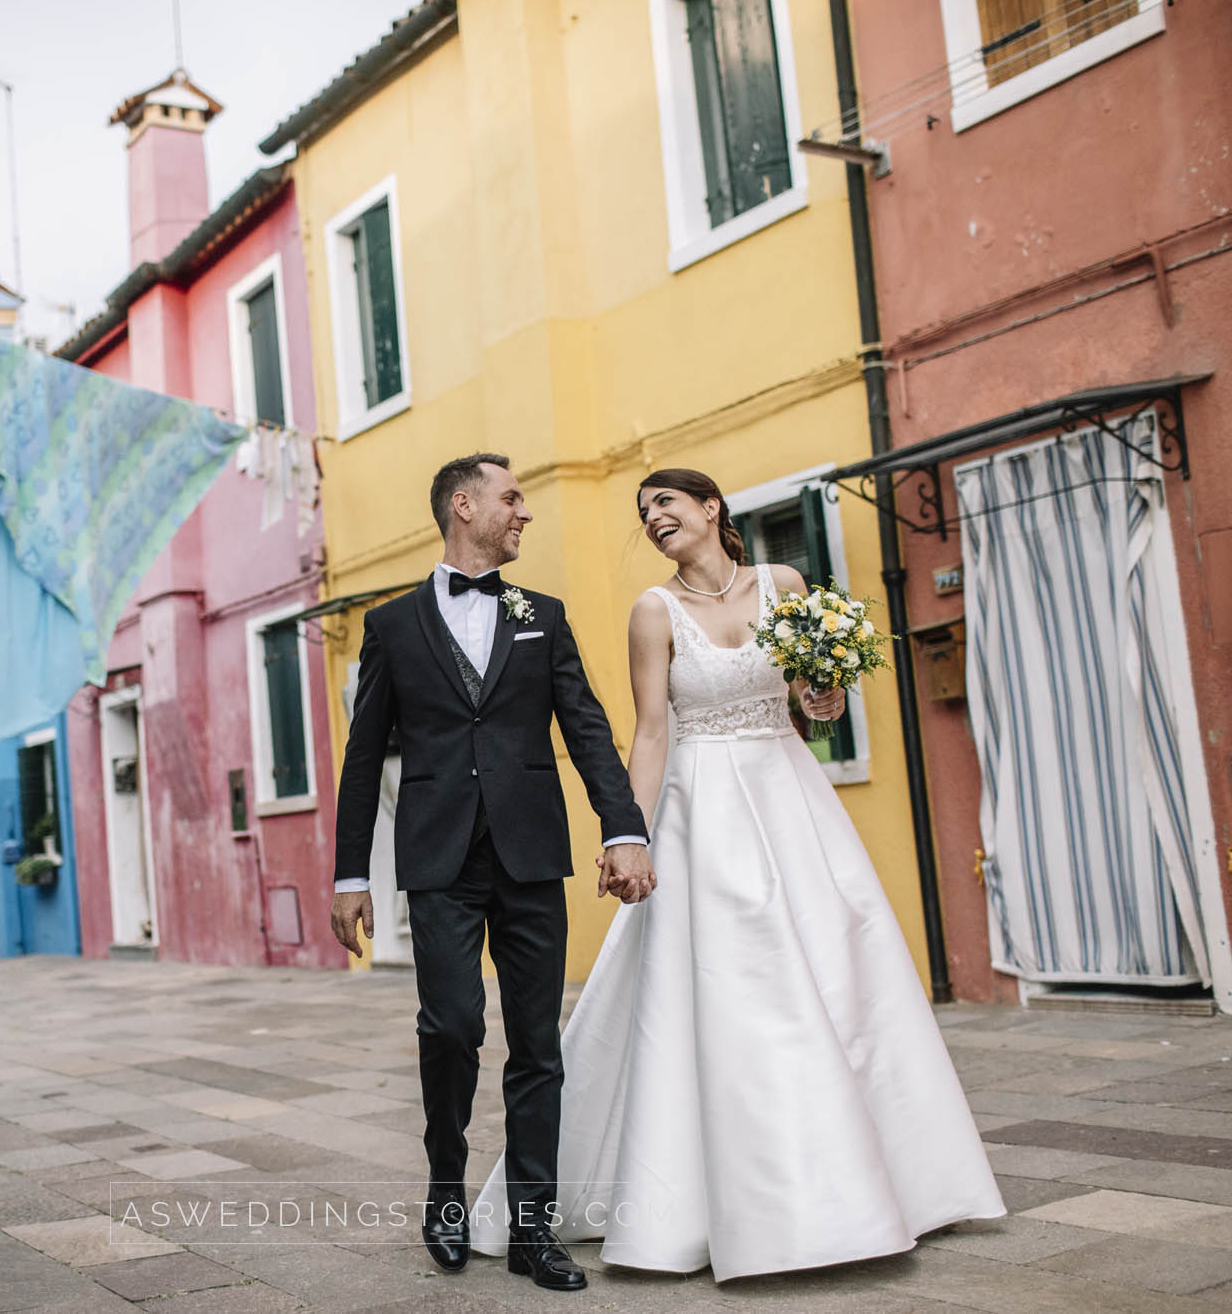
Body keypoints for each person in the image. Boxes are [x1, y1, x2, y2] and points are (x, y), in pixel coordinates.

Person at [469, 466, 1004, 1281]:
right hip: (702, 810)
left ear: (711, 508)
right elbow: (650, 732)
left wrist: (823, 693)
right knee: (731, 983)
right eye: (644, 513)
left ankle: (885, 1182)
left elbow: (810, 700)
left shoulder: (784, 582)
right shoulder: (654, 612)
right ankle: (722, 1201)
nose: (653, 519)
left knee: (841, 970)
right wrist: (629, 834)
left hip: (790, 796)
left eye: (666, 505)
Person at [330, 454, 655, 1292]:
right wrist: (350, 873)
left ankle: (532, 1229)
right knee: (450, 1025)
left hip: (531, 855)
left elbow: (586, 727)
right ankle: (445, 1189)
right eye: (512, 498)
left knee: (537, 1043)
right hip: (438, 860)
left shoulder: (540, 614)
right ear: (463, 506)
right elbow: (364, 757)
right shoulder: (392, 626)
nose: (525, 513)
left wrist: (622, 827)